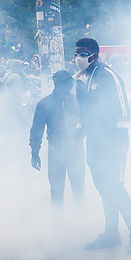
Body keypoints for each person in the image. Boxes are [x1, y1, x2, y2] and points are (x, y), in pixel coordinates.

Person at [73, 38, 131, 255]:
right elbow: (83, 110)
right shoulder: (81, 79)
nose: (78, 58)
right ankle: (111, 233)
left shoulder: (109, 76)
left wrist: (119, 140)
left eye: (82, 53)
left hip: (114, 141)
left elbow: (124, 109)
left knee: (114, 185)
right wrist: (79, 130)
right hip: (94, 141)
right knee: (103, 187)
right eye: (76, 53)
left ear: (94, 54)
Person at [29, 70, 84, 207]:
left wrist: (81, 134)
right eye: (66, 84)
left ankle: (80, 220)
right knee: (57, 190)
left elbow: (87, 121)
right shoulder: (45, 104)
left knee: (78, 188)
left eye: (70, 84)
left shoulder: (77, 101)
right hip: (56, 150)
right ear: (56, 84)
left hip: (76, 148)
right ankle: (58, 224)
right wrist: (34, 153)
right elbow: (37, 130)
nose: (69, 87)